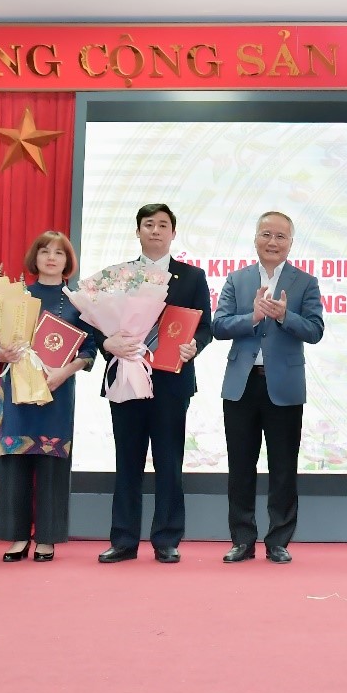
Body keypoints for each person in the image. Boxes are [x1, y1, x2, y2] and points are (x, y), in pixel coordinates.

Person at [94, 203, 213, 565]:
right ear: (138, 231)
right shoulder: (119, 276)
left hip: (171, 381)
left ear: (173, 233)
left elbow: (205, 327)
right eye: (149, 224)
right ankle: (123, 540)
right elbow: (96, 322)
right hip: (127, 377)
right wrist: (106, 343)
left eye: (163, 225)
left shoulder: (191, 277)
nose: (156, 230)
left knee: (169, 461)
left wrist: (195, 346)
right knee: (127, 461)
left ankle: (167, 539)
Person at [212, 211, 324, 565]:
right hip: (242, 386)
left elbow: (315, 330)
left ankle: (279, 540)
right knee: (240, 467)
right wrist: (254, 317)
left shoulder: (305, 282)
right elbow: (219, 326)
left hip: (284, 388)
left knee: (283, 467)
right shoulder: (237, 279)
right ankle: (242, 539)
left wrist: (283, 316)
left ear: (290, 243)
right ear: (255, 238)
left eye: (280, 236)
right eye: (266, 234)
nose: (272, 242)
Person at [0, 231, 96, 562]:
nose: (51, 257)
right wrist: (1, 354)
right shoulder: (16, 296)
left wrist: (64, 372)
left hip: (56, 392)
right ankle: (17, 536)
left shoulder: (78, 302)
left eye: (59, 253)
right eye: (45, 251)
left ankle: (47, 538)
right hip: (17, 392)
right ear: (34, 257)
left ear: (68, 261)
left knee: (51, 463)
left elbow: (89, 350)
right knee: (14, 461)